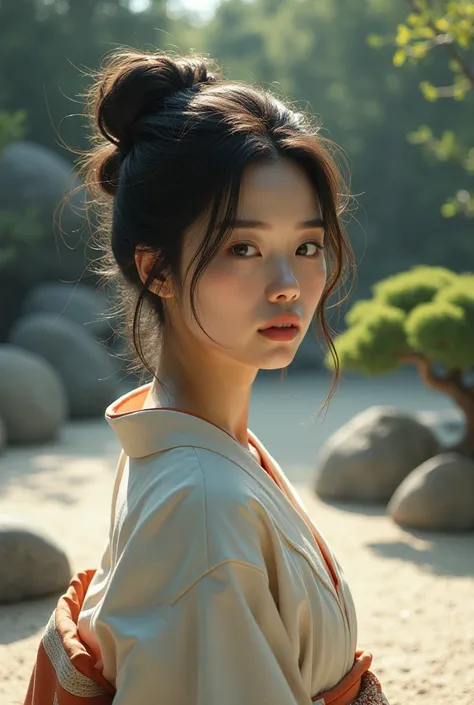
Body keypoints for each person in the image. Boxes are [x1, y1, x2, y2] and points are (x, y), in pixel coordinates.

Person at [24, 49, 389, 705]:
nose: (288, 286)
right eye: (243, 247)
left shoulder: (194, 442)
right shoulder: (202, 505)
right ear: (157, 268)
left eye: (306, 246)